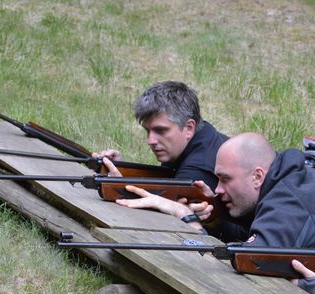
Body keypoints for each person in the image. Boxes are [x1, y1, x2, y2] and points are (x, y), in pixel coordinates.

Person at [92, 81, 250, 240]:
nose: (150, 141)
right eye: (148, 131)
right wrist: (124, 170)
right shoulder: (203, 135)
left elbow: (158, 217)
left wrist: (120, 187)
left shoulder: (197, 169)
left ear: (189, 128)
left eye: (160, 130)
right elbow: (164, 183)